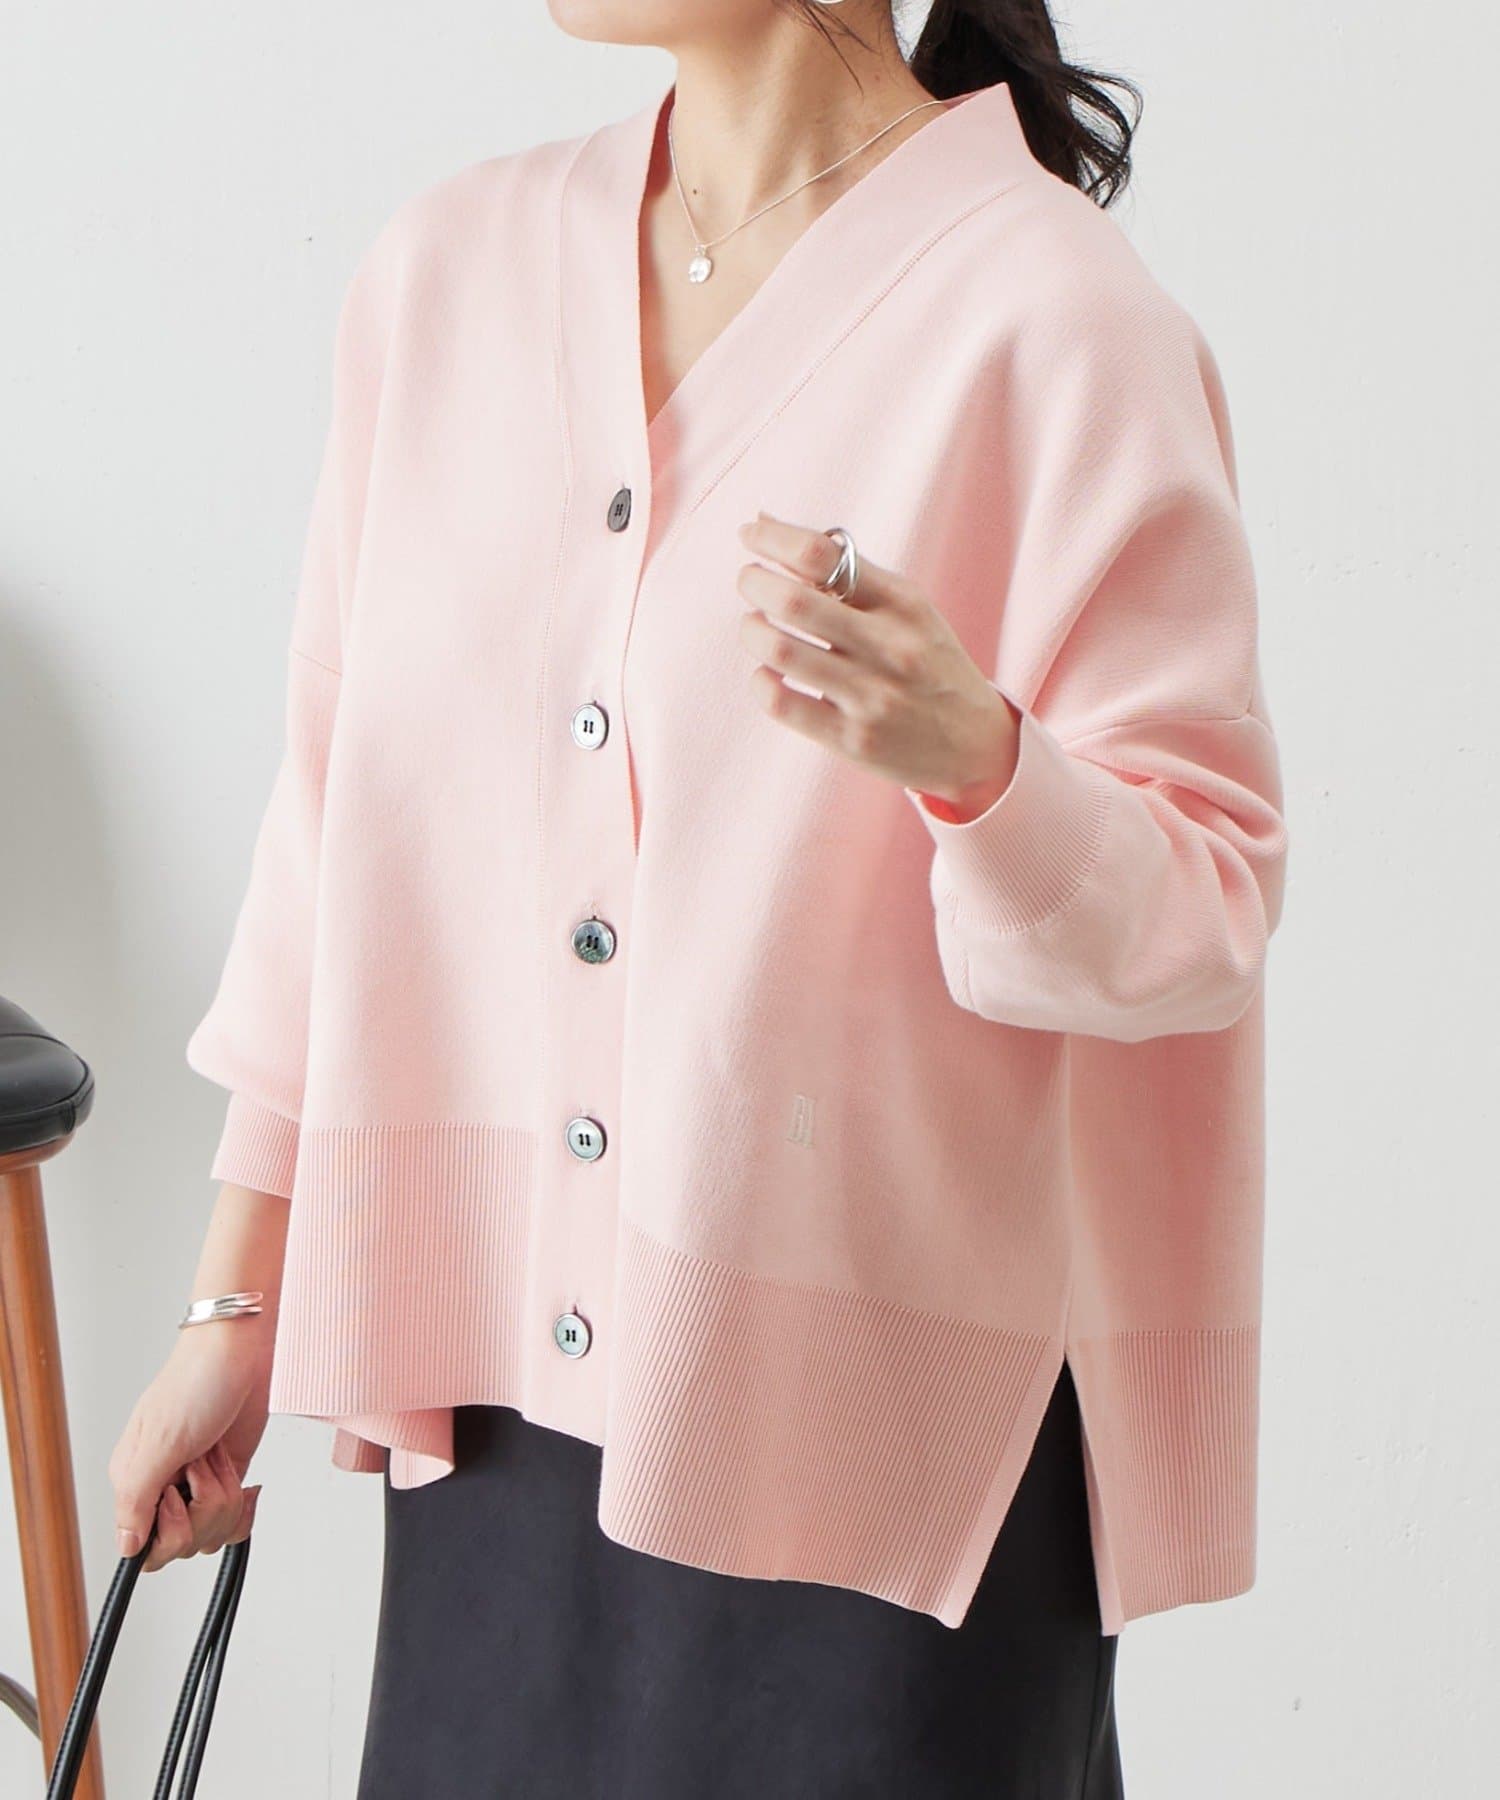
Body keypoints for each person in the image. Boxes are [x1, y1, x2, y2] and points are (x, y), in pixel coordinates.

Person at [110, 2, 1288, 1793]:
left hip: (891, 1467)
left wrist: (985, 765)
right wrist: (237, 1307)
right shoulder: (448, 279)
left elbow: (1206, 906)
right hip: (501, 1427)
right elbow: (335, 829)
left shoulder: (1058, 322)